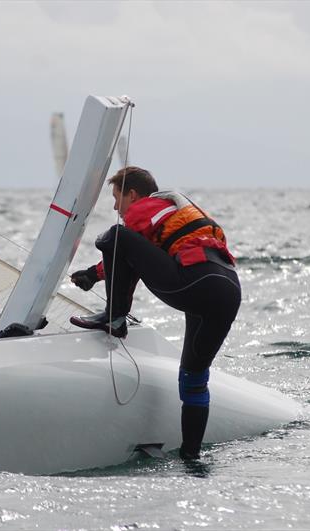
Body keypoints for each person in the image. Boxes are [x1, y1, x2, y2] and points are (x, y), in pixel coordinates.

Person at [69, 166, 241, 460]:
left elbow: (121, 245)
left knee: (114, 235)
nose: (115, 206)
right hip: (226, 290)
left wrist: (93, 275)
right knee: (193, 378)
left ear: (133, 195)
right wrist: (95, 274)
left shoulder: (146, 208)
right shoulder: (171, 209)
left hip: (195, 282)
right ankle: (191, 457)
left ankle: (115, 317)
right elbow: (136, 256)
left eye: (116, 198)